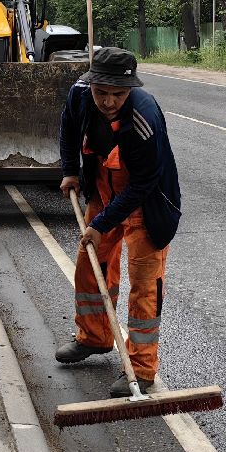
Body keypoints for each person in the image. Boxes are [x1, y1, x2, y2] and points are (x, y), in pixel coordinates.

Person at [54, 46, 182, 397]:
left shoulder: (143, 117)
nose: (109, 102)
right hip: (103, 193)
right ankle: (94, 337)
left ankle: (141, 368)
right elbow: (68, 128)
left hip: (146, 203)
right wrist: (70, 171)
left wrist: (101, 223)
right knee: (90, 266)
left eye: (118, 94)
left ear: (130, 90)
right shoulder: (80, 94)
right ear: (91, 84)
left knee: (144, 288)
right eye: (102, 93)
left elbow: (144, 183)